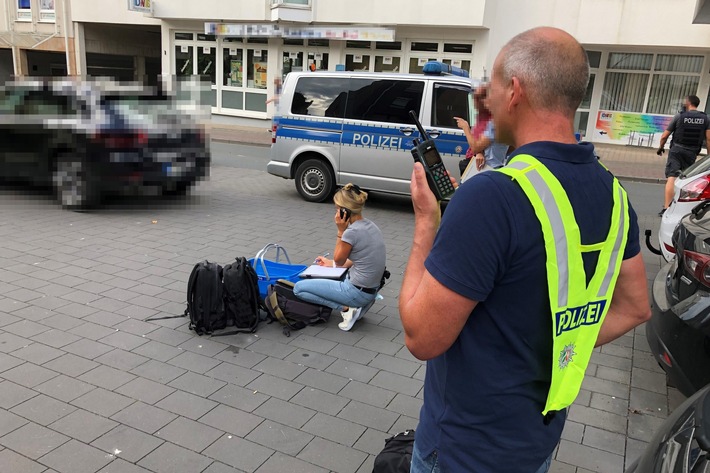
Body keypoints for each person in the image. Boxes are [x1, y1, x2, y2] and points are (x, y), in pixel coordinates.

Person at [400, 27, 651, 473]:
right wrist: (558, 345)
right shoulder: (616, 196)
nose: (487, 101)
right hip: (535, 444)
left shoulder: (492, 196)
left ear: (514, 90)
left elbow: (422, 337)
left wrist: (426, 225)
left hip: (462, 450)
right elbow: (635, 307)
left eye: (491, 87)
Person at [293, 183, 386, 331]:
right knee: (323, 278)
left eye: (337, 209)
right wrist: (330, 263)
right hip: (370, 289)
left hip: (356, 291)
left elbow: (339, 260)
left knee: (299, 289)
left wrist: (341, 231)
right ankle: (359, 306)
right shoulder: (371, 226)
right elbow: (359, 258)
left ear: (345, 211)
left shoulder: (351, 232)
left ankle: (346, 308)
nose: (335, 213)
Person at [656, 95, 710, 216]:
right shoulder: (705, 119)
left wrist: (661, 148)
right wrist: (708, 158)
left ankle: (666, 209)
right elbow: (708, 139)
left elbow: (664, 135)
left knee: (671, 177)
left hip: (676, 150)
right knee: (685, 179)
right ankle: (681, 209)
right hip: (691, 153)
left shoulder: (679, 116)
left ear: (688, 103)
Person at [454, 85, 492, 175]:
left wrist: (465, 127)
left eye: (478, 98)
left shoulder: (491, 120)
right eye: (474, 97)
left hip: (479, 163)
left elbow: (477, 146)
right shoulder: (481, 116)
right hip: (472, 160)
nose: (475, 101)